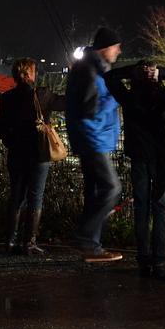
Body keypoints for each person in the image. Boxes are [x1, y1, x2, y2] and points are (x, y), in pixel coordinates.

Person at [105, 60, 165, 278]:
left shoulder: (130, 99)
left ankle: (144, 259)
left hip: (139, 157)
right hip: (163, 157)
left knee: (141, 208)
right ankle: (160, 261)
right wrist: (161, 72)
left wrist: (133, 71)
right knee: (160, 209)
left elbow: (109, 77)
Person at [65, 27, 124, 262]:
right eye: (116, 46)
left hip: (90, 137)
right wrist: (116, 97)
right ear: (106, 48)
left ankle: (92, 247)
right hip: (93, 138)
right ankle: (85, 237)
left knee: (95, 191)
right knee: (112, 188)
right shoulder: (90, 71)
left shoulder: (91, 69)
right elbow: (90, 109)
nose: (119, 51)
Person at [0, 57, 65, 255]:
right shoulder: (41, 95)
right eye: (34, 71)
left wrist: (12, 143)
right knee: (36, 196)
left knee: (16, 196)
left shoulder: (6, 98)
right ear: (27, 74)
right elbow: (65, 103)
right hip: (39, 153)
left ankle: (10, 241)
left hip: (17, 153)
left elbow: (1, 128)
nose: (36, 74)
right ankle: (30, 243)